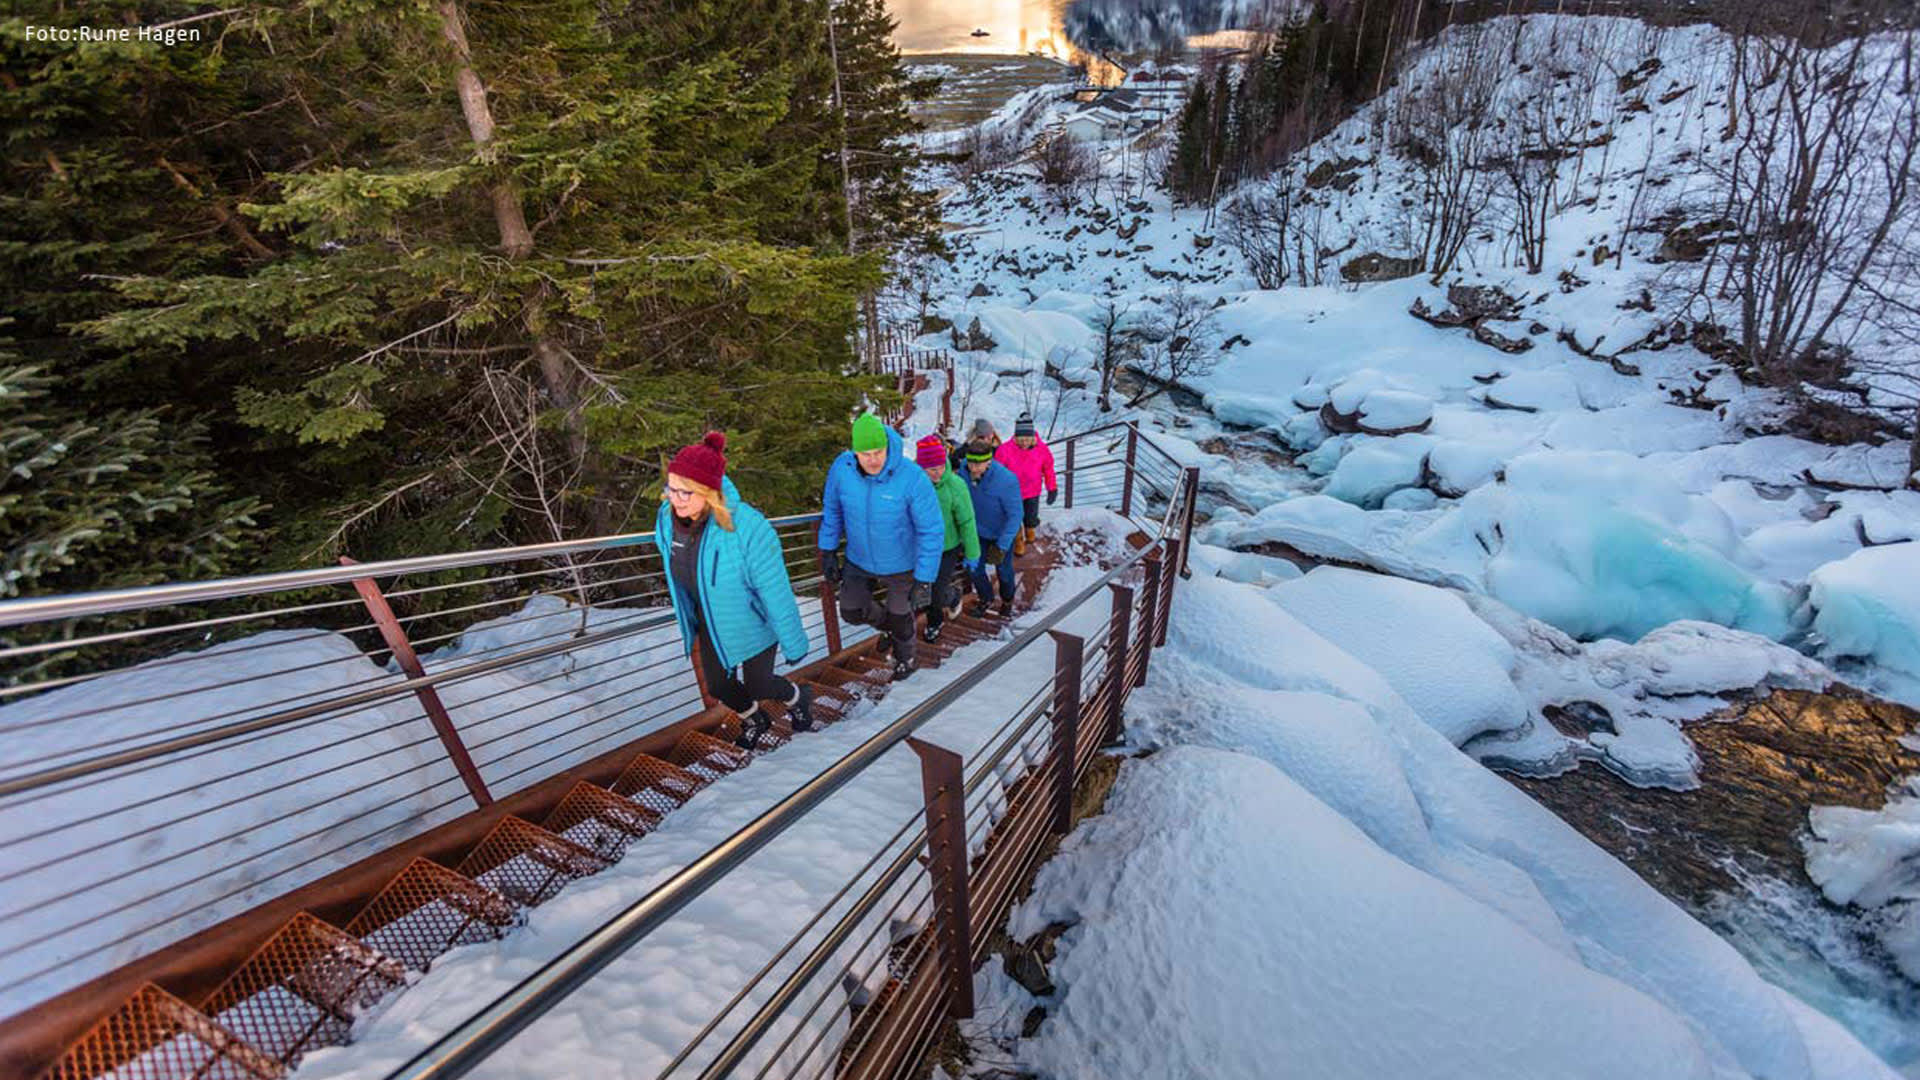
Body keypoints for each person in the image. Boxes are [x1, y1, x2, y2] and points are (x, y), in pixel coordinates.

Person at [654, 432, 817, 751]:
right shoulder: (666, 519)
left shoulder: (749, 527)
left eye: (687, 492)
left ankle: (799, 698)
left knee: (760, 684)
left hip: (753, 621)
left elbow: (775, 589)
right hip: (711, 621)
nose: (677, 499)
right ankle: (756, 718)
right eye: (672, 489)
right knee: (718, 685)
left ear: (709, 492)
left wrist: (793, 640)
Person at [818, 413, 944, 680]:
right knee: (851, 611)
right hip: (859, 559)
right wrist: (828, 550)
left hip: (902, 562)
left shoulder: (911, 477)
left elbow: (931, 529)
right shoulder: (842, 470)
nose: (873, 460)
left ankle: (905, 658)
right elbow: (832, 511)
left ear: (888, 446)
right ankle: (891, 627)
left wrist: (924, 579)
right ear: (854, 452)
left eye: (878, 452)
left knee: (900, 614)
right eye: (866, 454)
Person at [915, 434, 980, 642]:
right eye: (932, 469)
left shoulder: (955, 485)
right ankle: (951, 595)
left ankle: (936, 621)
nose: (939, 472)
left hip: (947, 548)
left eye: (941, 466)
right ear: (922, 467)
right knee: (922, 591)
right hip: (922, 549)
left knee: (935, 593)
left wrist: (972, 552)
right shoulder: (913, 485)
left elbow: (967, 521)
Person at [961, 436, 1023, 618]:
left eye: (979, 464)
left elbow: (1016, 515)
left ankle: (1007, 599)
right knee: (975, 569)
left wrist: (1002, 545)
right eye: (971, 463)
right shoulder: (963, 473)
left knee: (1003, 571)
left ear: (989, 461)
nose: (974, 468)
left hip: (1000, 533)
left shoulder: (1006, 480)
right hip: (977, 533)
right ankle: (985, 598)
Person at [993, 412, 1057, 556]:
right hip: (1012, 493)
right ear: (1015, 437)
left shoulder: (1042, 449)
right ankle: (1018, 541)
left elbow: (1048, 469)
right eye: (1021, 439)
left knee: (1031, 516)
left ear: (1033, 437)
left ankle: (1030, 530)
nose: (1024, 443)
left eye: (1028, 439)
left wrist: (1052, 488)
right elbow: (997, 472)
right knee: (1014, 519)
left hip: (1033, 491)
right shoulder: (1004, 450)